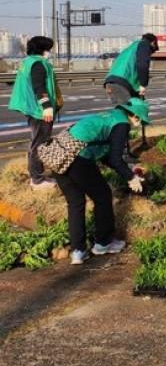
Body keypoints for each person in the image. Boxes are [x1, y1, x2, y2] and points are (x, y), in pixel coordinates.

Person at [57, 99, 150, 265]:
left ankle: (78, 251)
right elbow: (115, 158)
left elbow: (107, 157)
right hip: (77, 159)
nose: (140, 122)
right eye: (141, 119)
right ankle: (103, 243)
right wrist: (131, 178)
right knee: (103, 196)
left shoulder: (110, 117)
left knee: (76, 202)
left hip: (57, 157)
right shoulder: (122, 124)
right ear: (135, 115)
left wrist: (128, 169)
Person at [8, 35, 63, 190]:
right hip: (39, 110)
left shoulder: (27, 62)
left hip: (32, 108)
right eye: (49, 49)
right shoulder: (38, 64)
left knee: (37, 142)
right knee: (40, 144)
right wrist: (46, 106)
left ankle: (36, 176)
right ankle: (37, 180)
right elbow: (39, 86)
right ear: (43, 49)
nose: (50, 52)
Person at [103, 33, 159, 148]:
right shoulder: (144, 45)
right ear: (153, 42)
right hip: (120, 84)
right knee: (124, 119)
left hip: (112, 83)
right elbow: (142, 65)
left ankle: (123, 149)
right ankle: (120, 152)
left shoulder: (132, 47)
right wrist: (143, 84)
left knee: (124, 115)